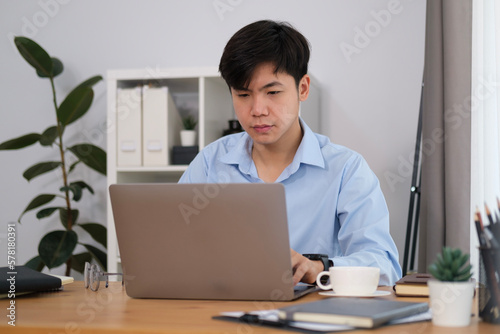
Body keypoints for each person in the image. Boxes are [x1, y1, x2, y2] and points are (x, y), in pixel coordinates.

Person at [179, 20, 402, 286]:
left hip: (312, 317)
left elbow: (384, 265)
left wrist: (319, 269)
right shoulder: (210, 163)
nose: (257, 109)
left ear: (303, 89)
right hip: (220, 310)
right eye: (243, 95)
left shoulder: (346, 169)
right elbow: (173, 244)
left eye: (272, 92)